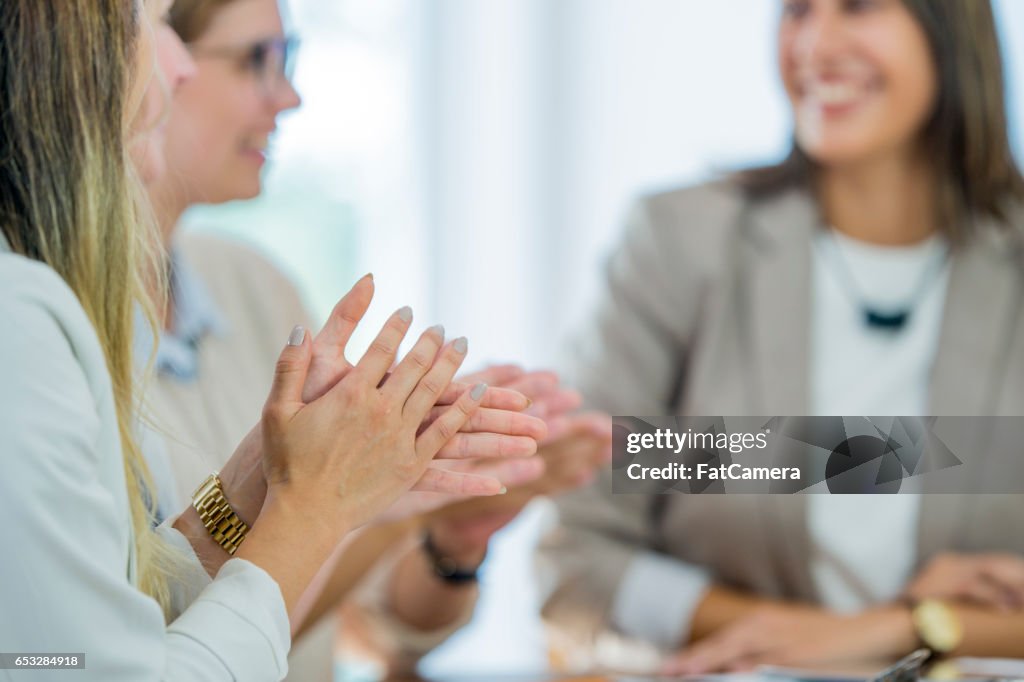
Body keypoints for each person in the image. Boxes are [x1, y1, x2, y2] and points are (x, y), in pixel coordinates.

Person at [0, 0, 534, 679]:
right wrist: (323, 503)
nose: (175, 65)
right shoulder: (22, 311)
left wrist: (268, 480)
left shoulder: (249, 285)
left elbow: (113, 635)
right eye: (154, 25)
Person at [538, 0, 1024, 674]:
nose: (815, 44)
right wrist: (835, 635)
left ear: (949, 28)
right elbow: (579, 554)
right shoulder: (684, 242)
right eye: (797, 10)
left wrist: (904, 628)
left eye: (858, 7)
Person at [144, 0, 612, 678]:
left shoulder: (256, 286)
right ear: (158, 60)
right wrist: (378, 496)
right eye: (255, 59)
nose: (290, 93)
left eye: (289, 58)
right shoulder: (46, 327)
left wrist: (449, 533)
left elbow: (366, 629)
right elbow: (137, 647)